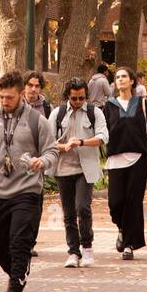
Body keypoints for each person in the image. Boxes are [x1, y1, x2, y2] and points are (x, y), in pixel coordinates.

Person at [0, 72, 58, 292]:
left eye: (9, 97)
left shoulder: (36, 120)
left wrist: (43, 161)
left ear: (21, 95)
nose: (4, 102)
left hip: (27, 191)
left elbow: (52, 151)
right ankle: (17, 274)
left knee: (19, 240)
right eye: (1, 97)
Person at [103, 66, 147, 260]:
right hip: (115, 159)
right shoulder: (109, 105)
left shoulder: (142, 104)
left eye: (124, 76)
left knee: (133, 202)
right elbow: (101, 131)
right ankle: (122, 227)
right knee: (115, 202)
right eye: (117, 77)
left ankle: (129, 244)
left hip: (139, 158)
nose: (120, 79)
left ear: (132, 81)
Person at [49, 78, 109, 267]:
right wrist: (63, 146)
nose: (78, 102)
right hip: (63, 168)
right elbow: (47, 142)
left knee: (82, 208)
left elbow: (103, 136)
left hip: (86, 168)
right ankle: (73, 252)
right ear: (68, 96)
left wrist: (81, 142)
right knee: (68, 213)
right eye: (74, 98)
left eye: (81, 98)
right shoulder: (57, 114)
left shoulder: (94, 112)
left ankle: (87, 248)